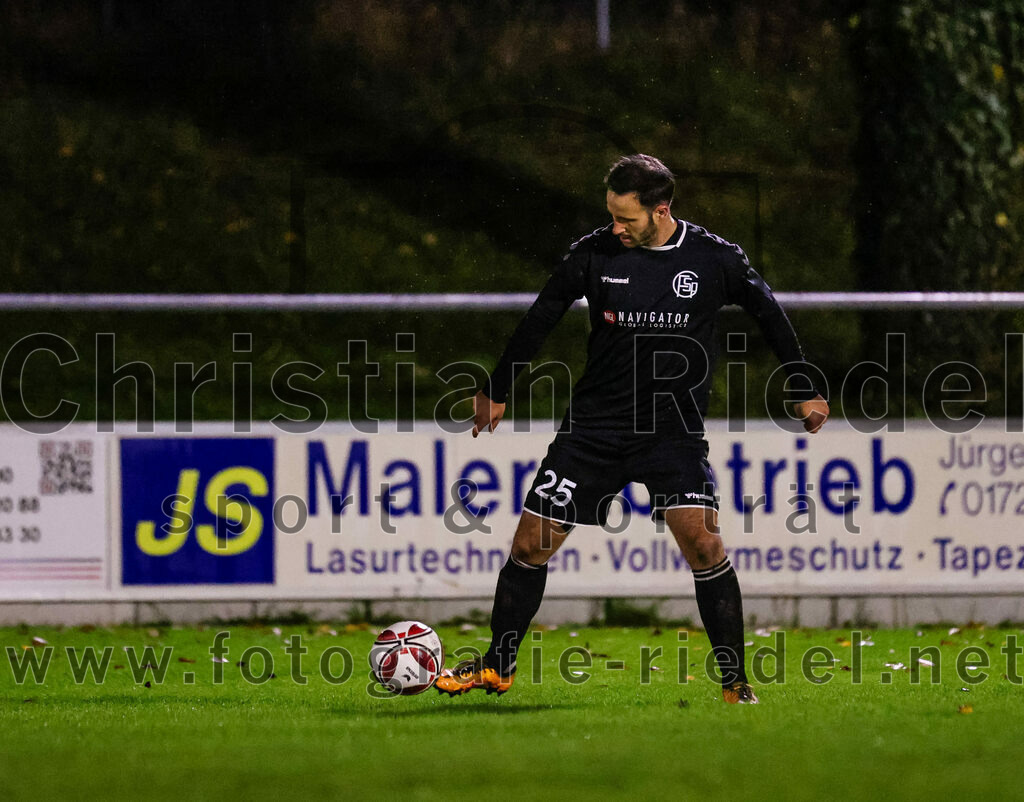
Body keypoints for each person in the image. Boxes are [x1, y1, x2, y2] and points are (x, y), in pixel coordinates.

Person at [435, 154, 829, 704]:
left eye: (627, 219)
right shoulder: (594, 253)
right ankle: (497, 666)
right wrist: (497, 388)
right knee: (531, 544)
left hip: (672, 433)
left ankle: (736, 684)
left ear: (660, 210)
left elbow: (769, 312)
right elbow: (541, 315)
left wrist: (804, 384)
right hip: (593, 429)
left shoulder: (714, 259)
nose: (616, 228)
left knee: (704, 545)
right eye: (612, 217)